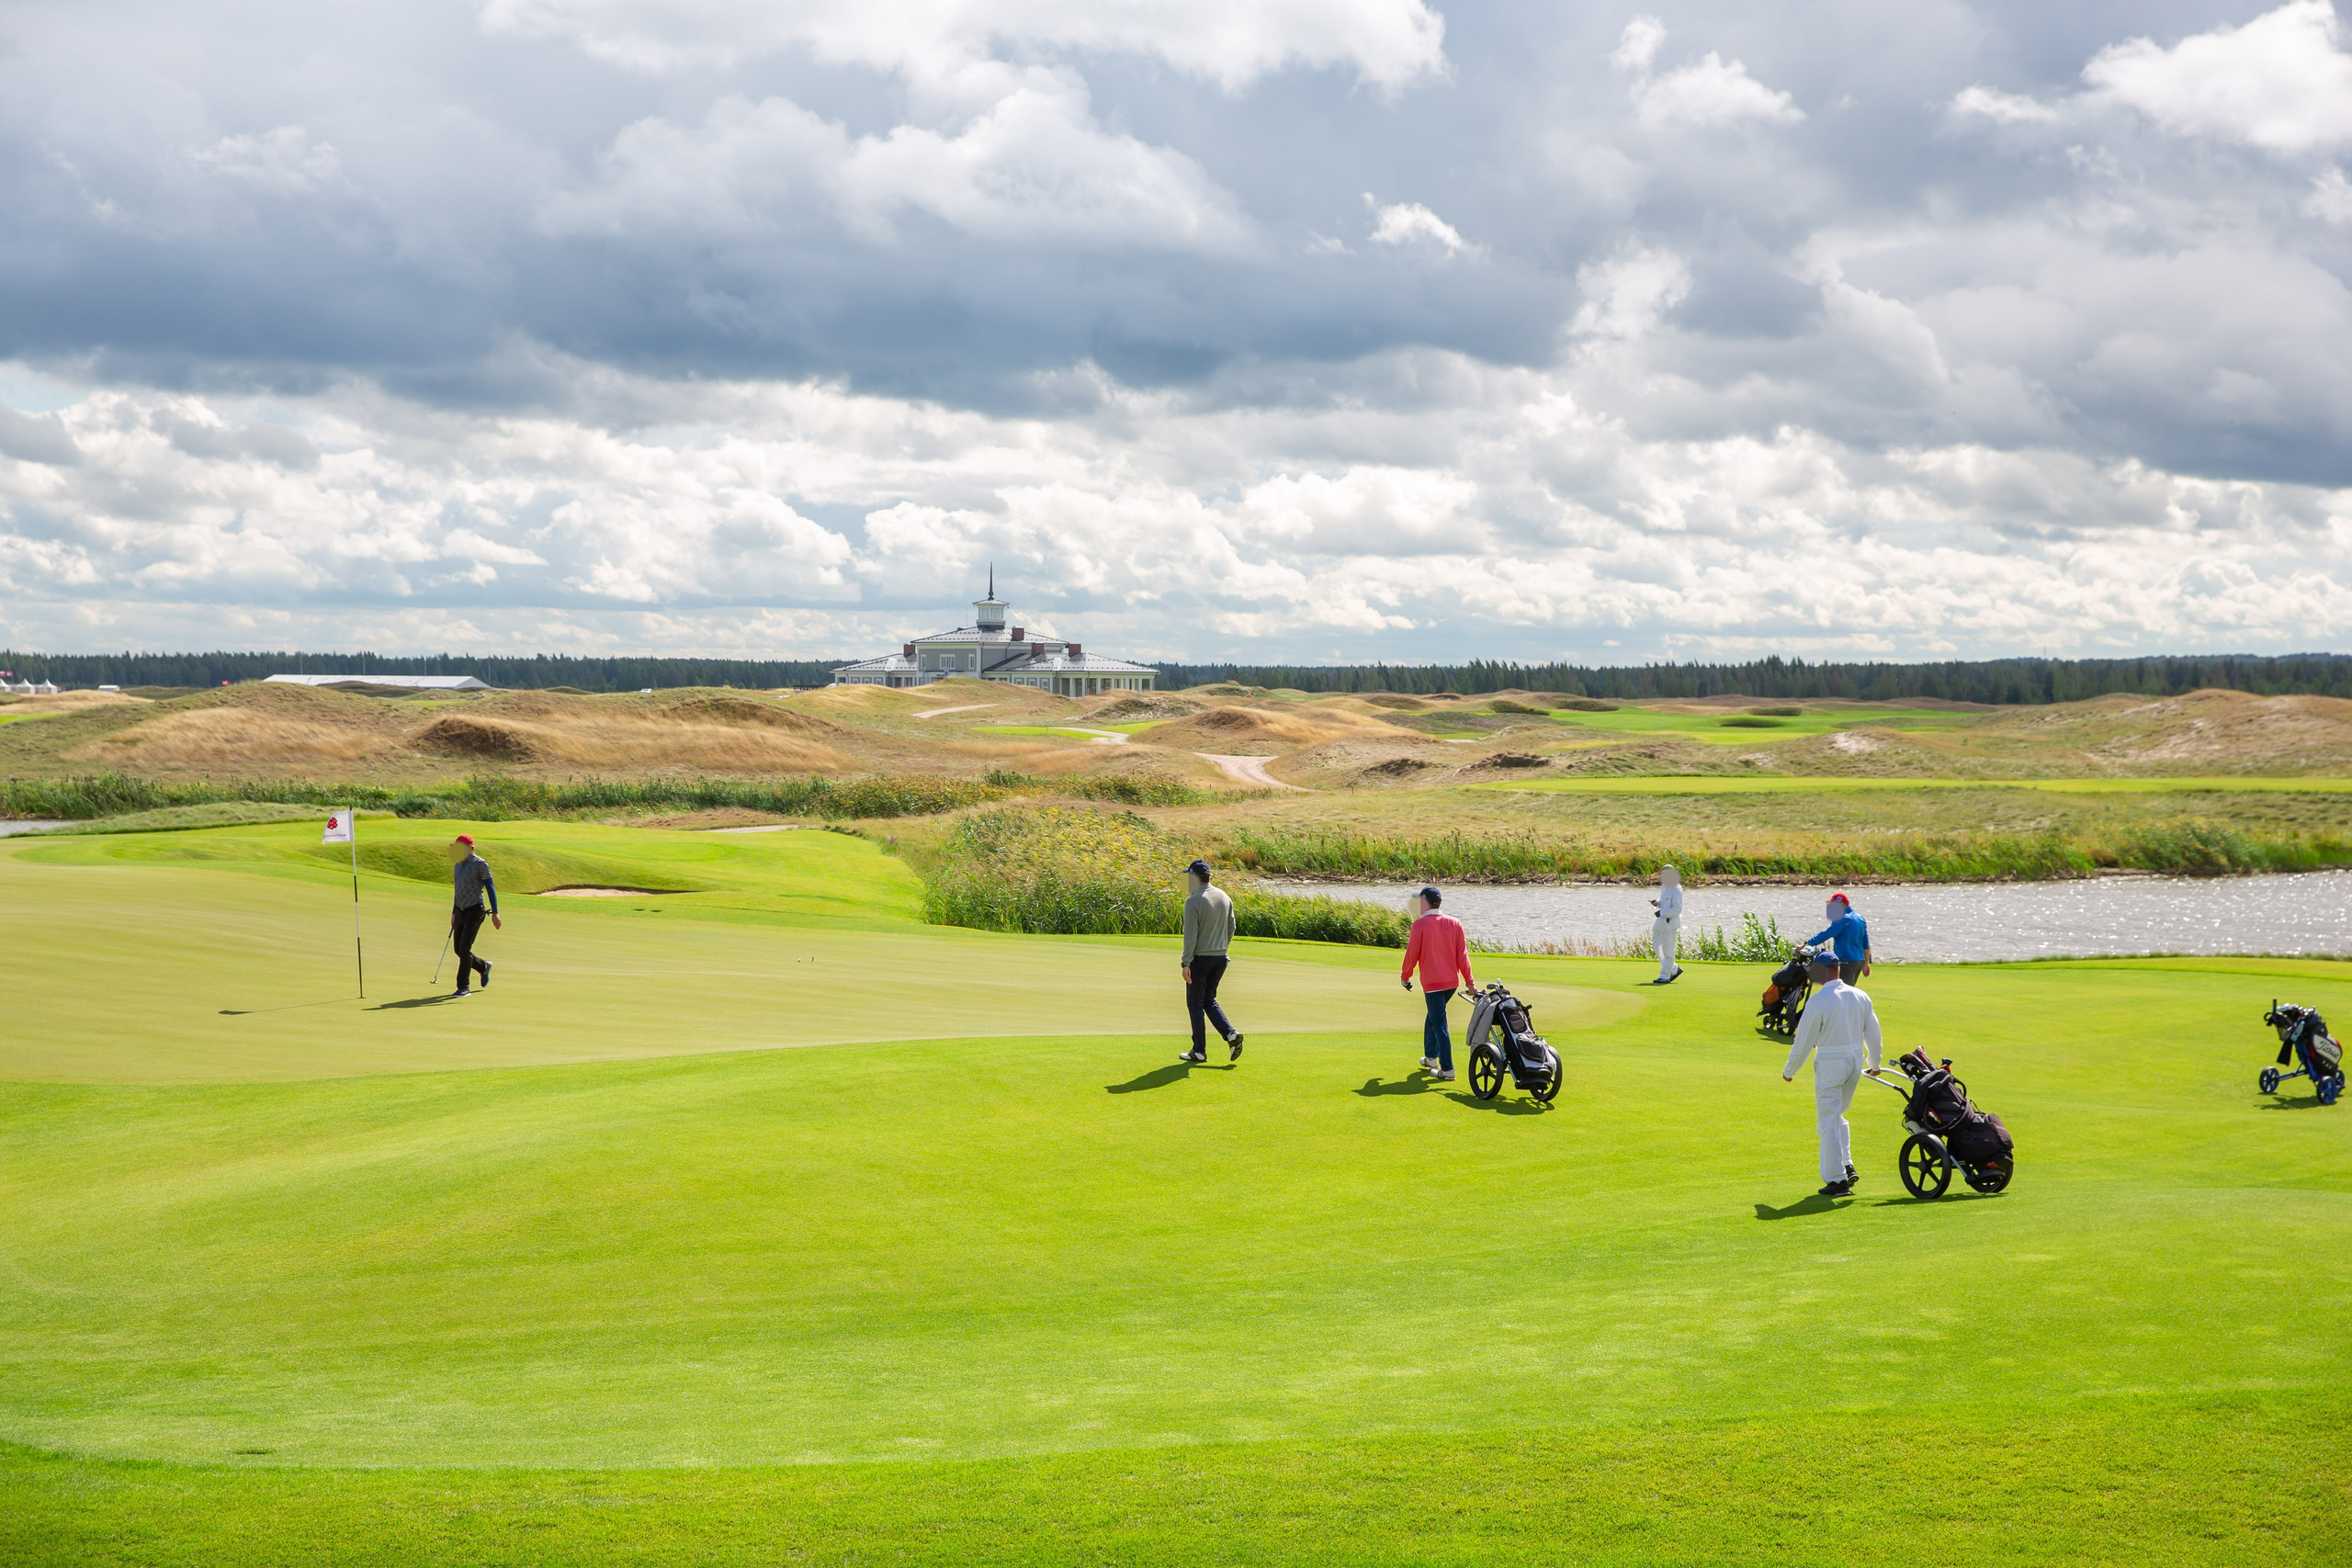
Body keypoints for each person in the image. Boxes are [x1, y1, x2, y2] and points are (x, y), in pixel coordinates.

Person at [1781, 950, 1882, 1197]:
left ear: (1822, 971)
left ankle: (1837, 1181)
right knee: (1838, 1116)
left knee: (1827, 1122)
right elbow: (1874, 1033)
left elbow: (1803, 1042)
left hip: (1831, 1063)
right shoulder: (1860, 995)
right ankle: (1846, 1165)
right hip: (1854, 1063)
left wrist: (1789, 1070)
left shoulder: (1817, 1002)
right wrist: (1875, 1062)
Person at [1400, 886, 1476, 1083]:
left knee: (1439, 1023)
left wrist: (1405, 976)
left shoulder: (1419, 925)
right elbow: (1463, 956)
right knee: (1433, 1017)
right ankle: (1431, 1058)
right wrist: (1469, 982)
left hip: (1433, 984)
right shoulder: (1455, 923)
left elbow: (1412, 954)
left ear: (1425, 902)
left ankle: (1448, 1068)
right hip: (1451, 983)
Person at [1179, 859, 1243, 1063]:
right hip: (1221, 958)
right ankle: (1231, 1035)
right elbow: (1231, 927)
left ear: (1195, 878)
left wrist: (1185, 963)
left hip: (1200, 960)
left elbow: (1190, 936)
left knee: (1195, 1004)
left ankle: (1199, 1051)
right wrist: (1221, 946)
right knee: (1208, 1000)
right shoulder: (1224, 897)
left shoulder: (1193, 901)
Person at [449, 834, 501, 998]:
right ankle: (483, 967)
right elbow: (458, 892)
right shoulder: (457, 865)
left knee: (465, 948)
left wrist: (495, 912)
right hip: (461, 910)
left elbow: (490, 888)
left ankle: (463, 987)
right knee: (458, 949)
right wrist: (453, 912)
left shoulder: (480, 864)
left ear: (470, 848)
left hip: (475, 910)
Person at [1808, 892, 1872, 983]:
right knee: (1847, 990)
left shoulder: (1842, 918)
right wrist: (1866, 963)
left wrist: (1809, 944)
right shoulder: (1860, 918)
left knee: (1843, 992)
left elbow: (1828, 934)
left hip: (1847, 961)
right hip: (1858, 961)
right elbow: (1866, 943)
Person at [1649, 865, 1684, 985]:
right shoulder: (1665, 886)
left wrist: (1662, 912)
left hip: (1670, 922)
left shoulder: (1677, 889)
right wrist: (1657, 903)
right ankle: (1674, 969)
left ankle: (1665, 976)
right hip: (1661, 921)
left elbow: (1677, 909)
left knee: (1667, 950)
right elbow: (1664, 902)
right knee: (1657, 946)